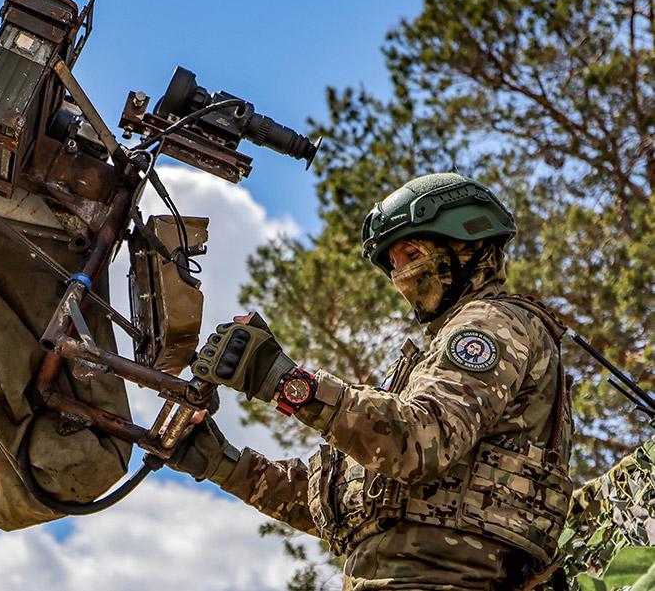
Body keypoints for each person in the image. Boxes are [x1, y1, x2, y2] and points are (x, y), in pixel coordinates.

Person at [170, 173, 574, 590]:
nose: (400, 273)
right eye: (393, 264)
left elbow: (420, 440)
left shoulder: (493, 324)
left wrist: (283, 381)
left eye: (411, 253)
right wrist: (223, 463)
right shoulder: (428, 364)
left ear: (465, 241)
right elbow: (339, 503)